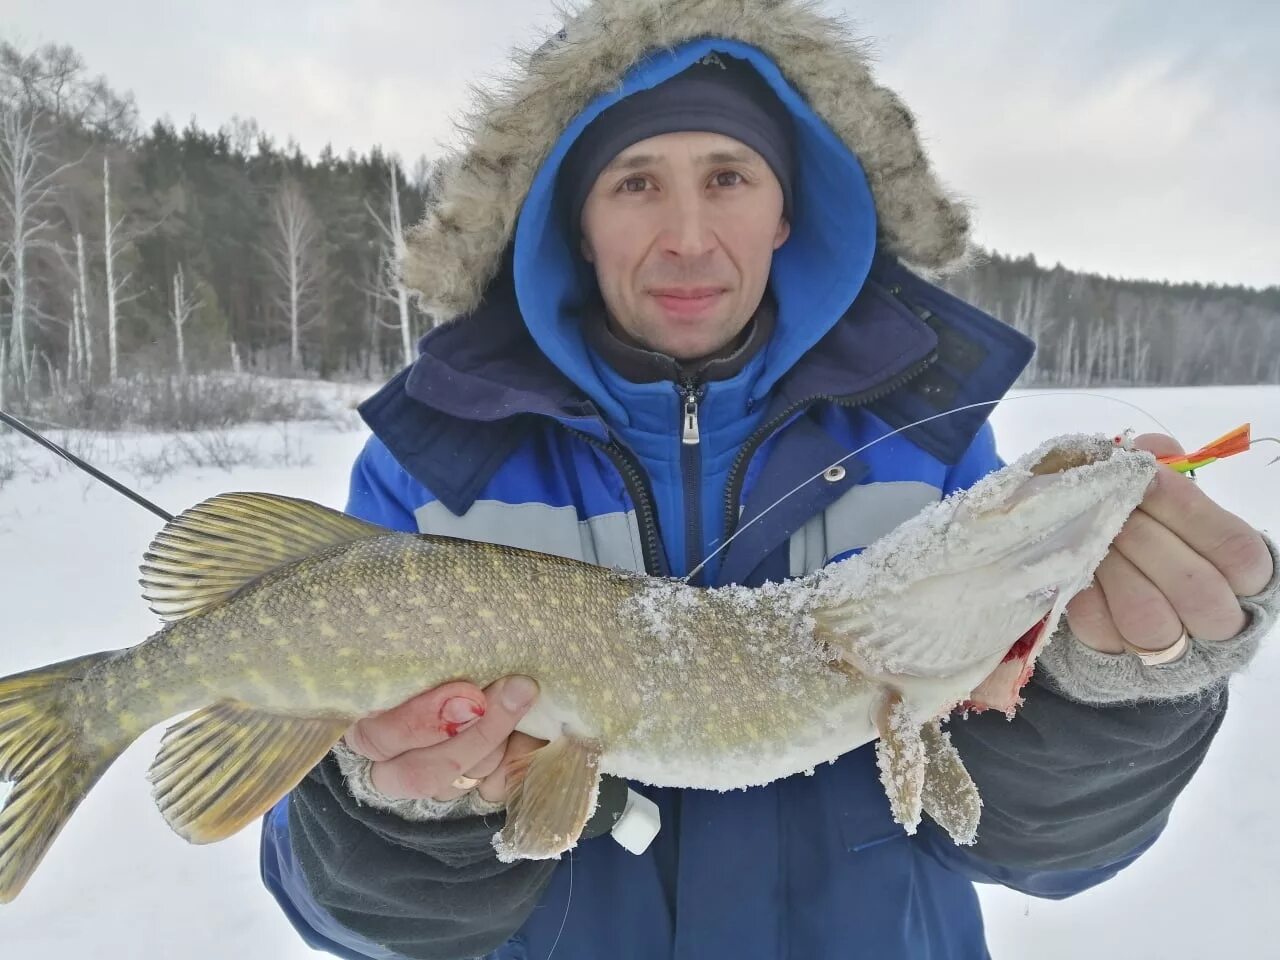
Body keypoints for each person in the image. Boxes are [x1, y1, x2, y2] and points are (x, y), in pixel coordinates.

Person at [260, 2, 1279, 957]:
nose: (687, 237)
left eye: (727, 177)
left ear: (789, 211)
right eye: (634, 182)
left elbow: (1025, 842)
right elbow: (350, 903)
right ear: (575, 225)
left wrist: (1110, 701)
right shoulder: (430, 464)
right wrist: (396, 814)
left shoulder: (927, 446)